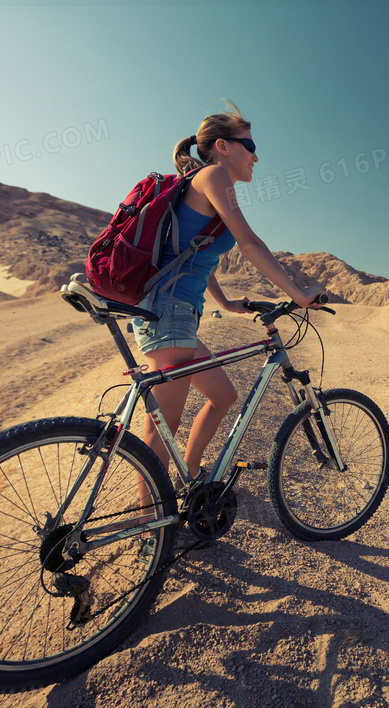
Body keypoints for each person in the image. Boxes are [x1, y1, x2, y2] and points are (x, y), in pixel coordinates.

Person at [134, 101, 323, 486]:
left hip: (177, 313)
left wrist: (222, 302)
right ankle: (151, 528)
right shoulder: (214, 177)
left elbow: (192, 255)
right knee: (162, 424)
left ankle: (189, 477)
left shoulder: (205, 182)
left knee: (222, 396)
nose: (256, 156)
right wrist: (300, 294)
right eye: (249, 146)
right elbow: (250, 244)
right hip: (168, 313)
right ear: (223, 146)